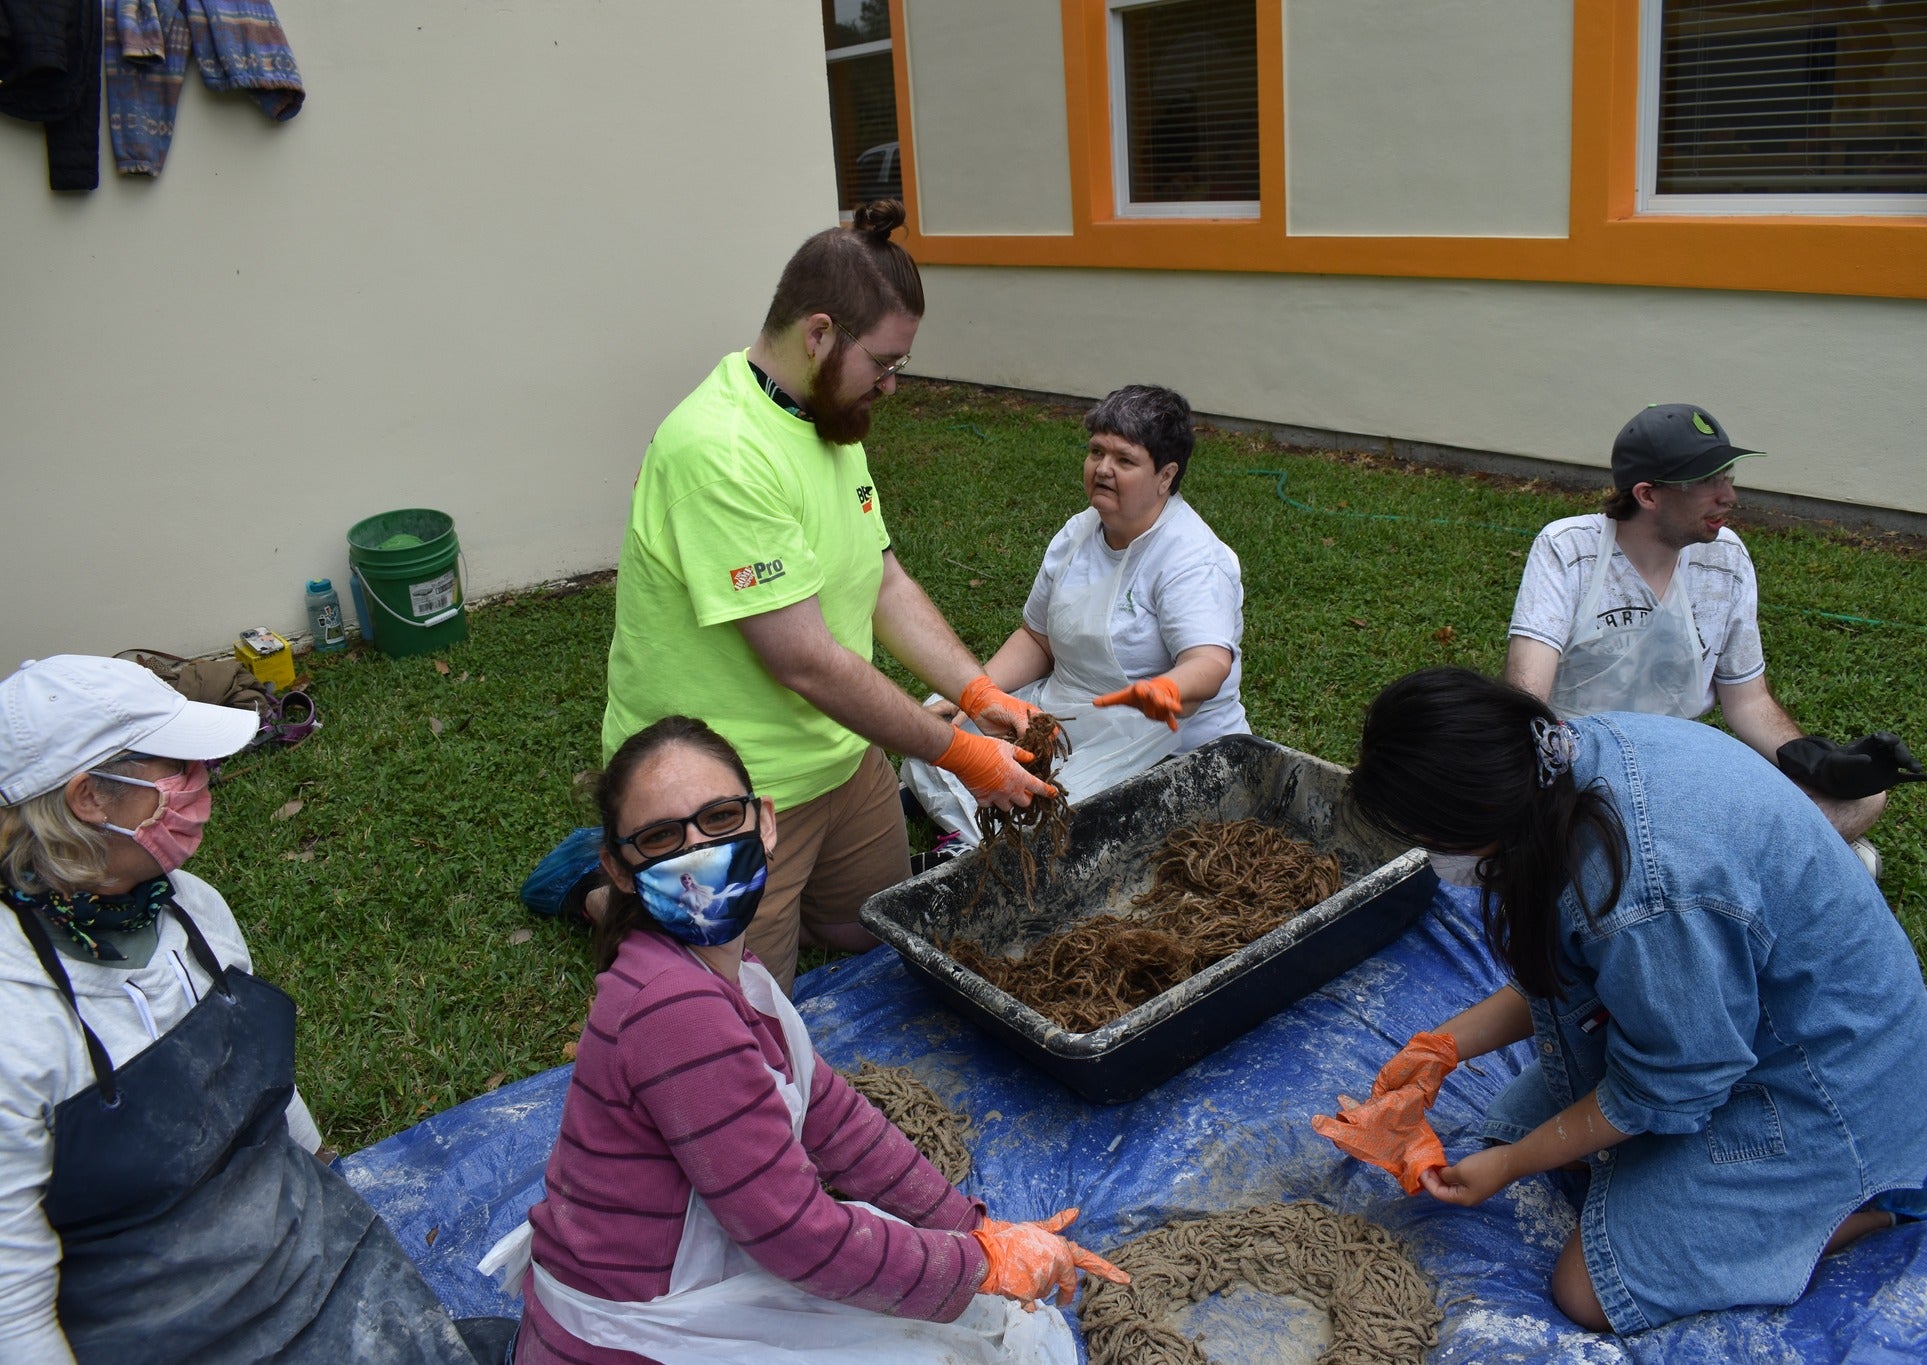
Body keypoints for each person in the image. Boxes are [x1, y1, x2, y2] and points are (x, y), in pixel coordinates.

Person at [1320, 667, 1927, 1334]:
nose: (1433, 856)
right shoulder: (1562, 756)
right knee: (1522, 1131)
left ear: (1478, 814)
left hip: (1830, 1084)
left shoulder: (1636, 892)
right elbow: (1585, 978)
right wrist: (1440, 1047)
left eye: (1430, 840)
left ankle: (1868, 1201)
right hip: (1748, 1026)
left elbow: (1675, 1079)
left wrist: (1512, 1164)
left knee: (1590, 1288)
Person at [488, 715, 1124, 1364]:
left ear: (765, 823)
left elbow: (832, 1118)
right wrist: (983, 1264)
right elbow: (795, 1236)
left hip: (689, 1279)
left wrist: (970, 1227)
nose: (699, 853)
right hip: (630, 1336)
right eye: (661, 837)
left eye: (718, 819)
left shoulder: (725, 968)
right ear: (619, 870)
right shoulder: (674, 1009)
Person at [584, 198, 1053, 991]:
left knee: (868, 929)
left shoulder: (825, 415)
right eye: (885, 363)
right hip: (731, 785)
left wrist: (979, 693)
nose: (892, 386)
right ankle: (615, 894)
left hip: (838, 751)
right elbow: (803, 660)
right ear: (819, 334)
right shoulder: (721, 451)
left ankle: (751, 892)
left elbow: (884, 579)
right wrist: (964, 754)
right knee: (738, 991)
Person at [0, 655, 492, 1364]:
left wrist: (327, 1171)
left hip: (306, 1260)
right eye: (179, 766)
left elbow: (263, 1082)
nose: (203, 780)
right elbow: (14, 1310)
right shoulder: (17, 1012)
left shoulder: (192, 905)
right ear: (89, 798)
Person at [1501, 404, 1927, 876]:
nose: (1729, 497)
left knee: (1864, 800)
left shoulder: (1726, 558)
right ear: (1648, 494)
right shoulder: (1569, 549)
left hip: (1680, 767)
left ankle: (1712, 865)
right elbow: (1526, 704)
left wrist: (1816, 763)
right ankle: (1780, 864)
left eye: (1728, 478)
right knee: (1603, 839)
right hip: (1580, 769)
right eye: (1708, 482)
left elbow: (1748, 702)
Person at [901, 384, 1248, 854]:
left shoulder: (1192, 558)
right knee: (941, 729)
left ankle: (965, 840)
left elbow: (1209, 663)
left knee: (1056, 816)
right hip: (1069, 712)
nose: (1102, 468)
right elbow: (1036, 639)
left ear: (1166, 476)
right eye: (1096, 451)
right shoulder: (1078, 533)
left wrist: (1166, 688)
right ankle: (965, 824)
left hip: (1159, 741)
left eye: (1124, 460)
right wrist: (975, 695)